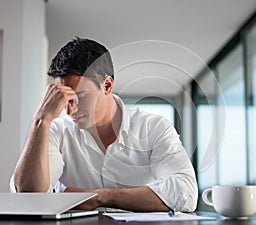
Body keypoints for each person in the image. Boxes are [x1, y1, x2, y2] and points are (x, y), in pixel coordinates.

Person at [11, 38, 198, 212]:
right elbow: (29, 197)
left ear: (107, 85)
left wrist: (101, 197)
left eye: (79, 96)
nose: (69, 111)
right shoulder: (56, 130)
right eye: (64, 99)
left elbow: (186, 193)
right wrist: (41, 119)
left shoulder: (153, 127)